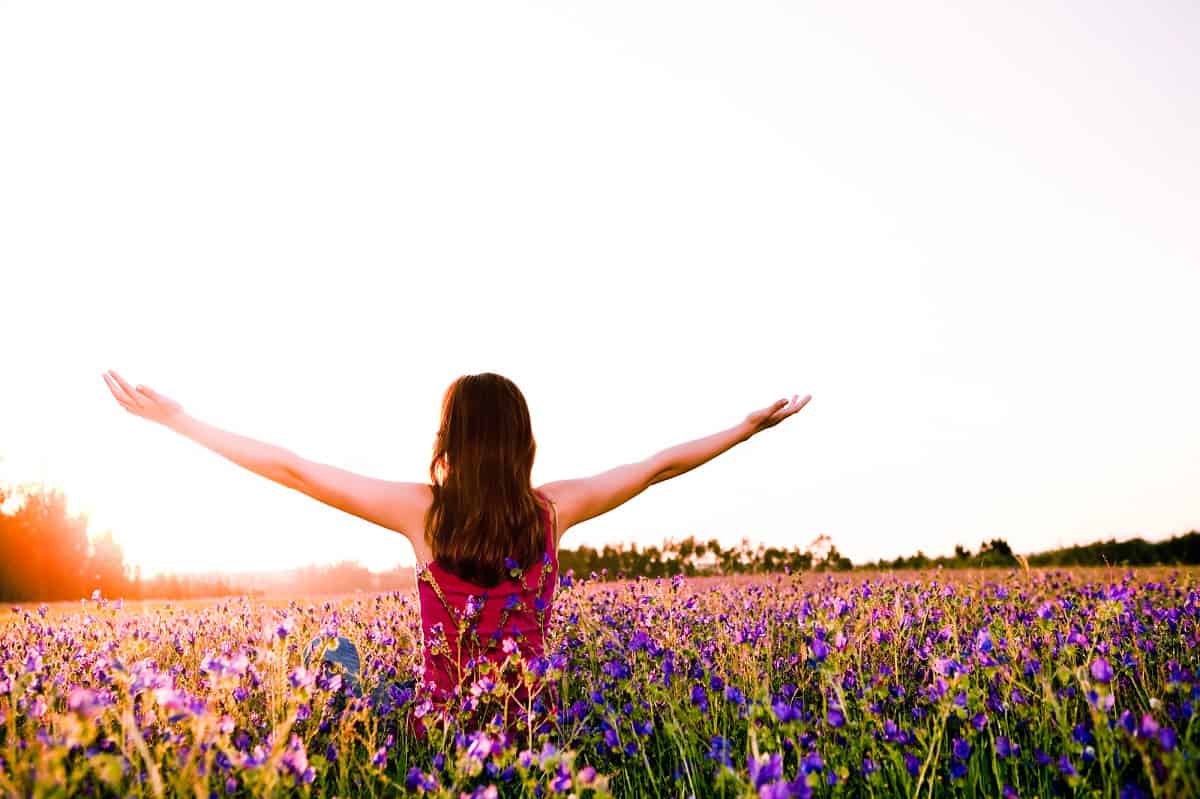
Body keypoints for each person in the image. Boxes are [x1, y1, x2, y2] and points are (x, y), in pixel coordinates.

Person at [102, 369, 810, 730]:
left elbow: (294, 469)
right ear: (520, 441)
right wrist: (742, 430)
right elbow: (656, 467)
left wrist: (182, 422)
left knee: (339, 664)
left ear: (451, 439)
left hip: (443, 734)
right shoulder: (551, 511)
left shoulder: (424, 514)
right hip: (533, 728)